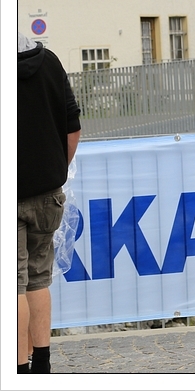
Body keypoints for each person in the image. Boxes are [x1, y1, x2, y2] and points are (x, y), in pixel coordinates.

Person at [18, 33, 82, 374]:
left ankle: (18, 369)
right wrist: (58, 169)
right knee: (38, 279)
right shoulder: (51, 62)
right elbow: (73, 128)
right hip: (48, 193)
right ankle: (41, 364)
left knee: (13, 284)